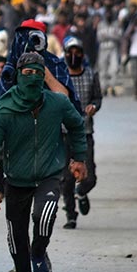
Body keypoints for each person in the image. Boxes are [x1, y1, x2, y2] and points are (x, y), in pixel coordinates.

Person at [0, 51, 87, 272]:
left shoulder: (57, 103)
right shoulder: (5, 110)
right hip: (15, 179)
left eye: (38, 73)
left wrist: (79, 158)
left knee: (45, 213)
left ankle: (39, 251)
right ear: (17, 76)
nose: (33, 78)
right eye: (27, 73)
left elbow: (77, 125)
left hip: (49, 174)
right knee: (16, 233)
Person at [60, 36, 102, 229]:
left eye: (77, 52)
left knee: (90, 176)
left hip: (85, 132)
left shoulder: (91, 75)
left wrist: (94, 106)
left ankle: (82, 191)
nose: (73, 56)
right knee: (66, 178)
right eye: (70, 52)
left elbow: (97, 98)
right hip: (62, 133)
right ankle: (70, 214)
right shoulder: (59, 76)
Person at [96, 9, 121, 96]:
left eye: (110, 14)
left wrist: (107, 35)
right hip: (103, 48)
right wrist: (111, 35)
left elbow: (118, 36)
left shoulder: (116, 24)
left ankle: (113, 87)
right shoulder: (101, 25)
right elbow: (99, 37)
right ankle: (103, 88)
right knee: (103, 69)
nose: (108, 16)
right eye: (107, 14)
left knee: (114, 69)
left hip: (113, 48)